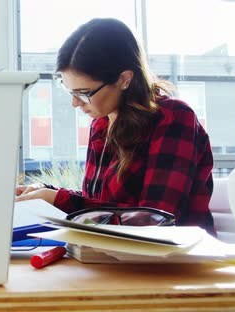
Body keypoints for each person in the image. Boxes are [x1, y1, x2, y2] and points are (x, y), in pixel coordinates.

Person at [16, 18, 215, 235]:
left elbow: (156, 220)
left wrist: (60, 200)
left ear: (124, 79)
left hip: (175, 262)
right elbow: (101, 207)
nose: (75, 103)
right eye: (70, 91)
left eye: (84, 93)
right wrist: (47, 193)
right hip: (115, 257)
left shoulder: (174, 118)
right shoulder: (101, 124)